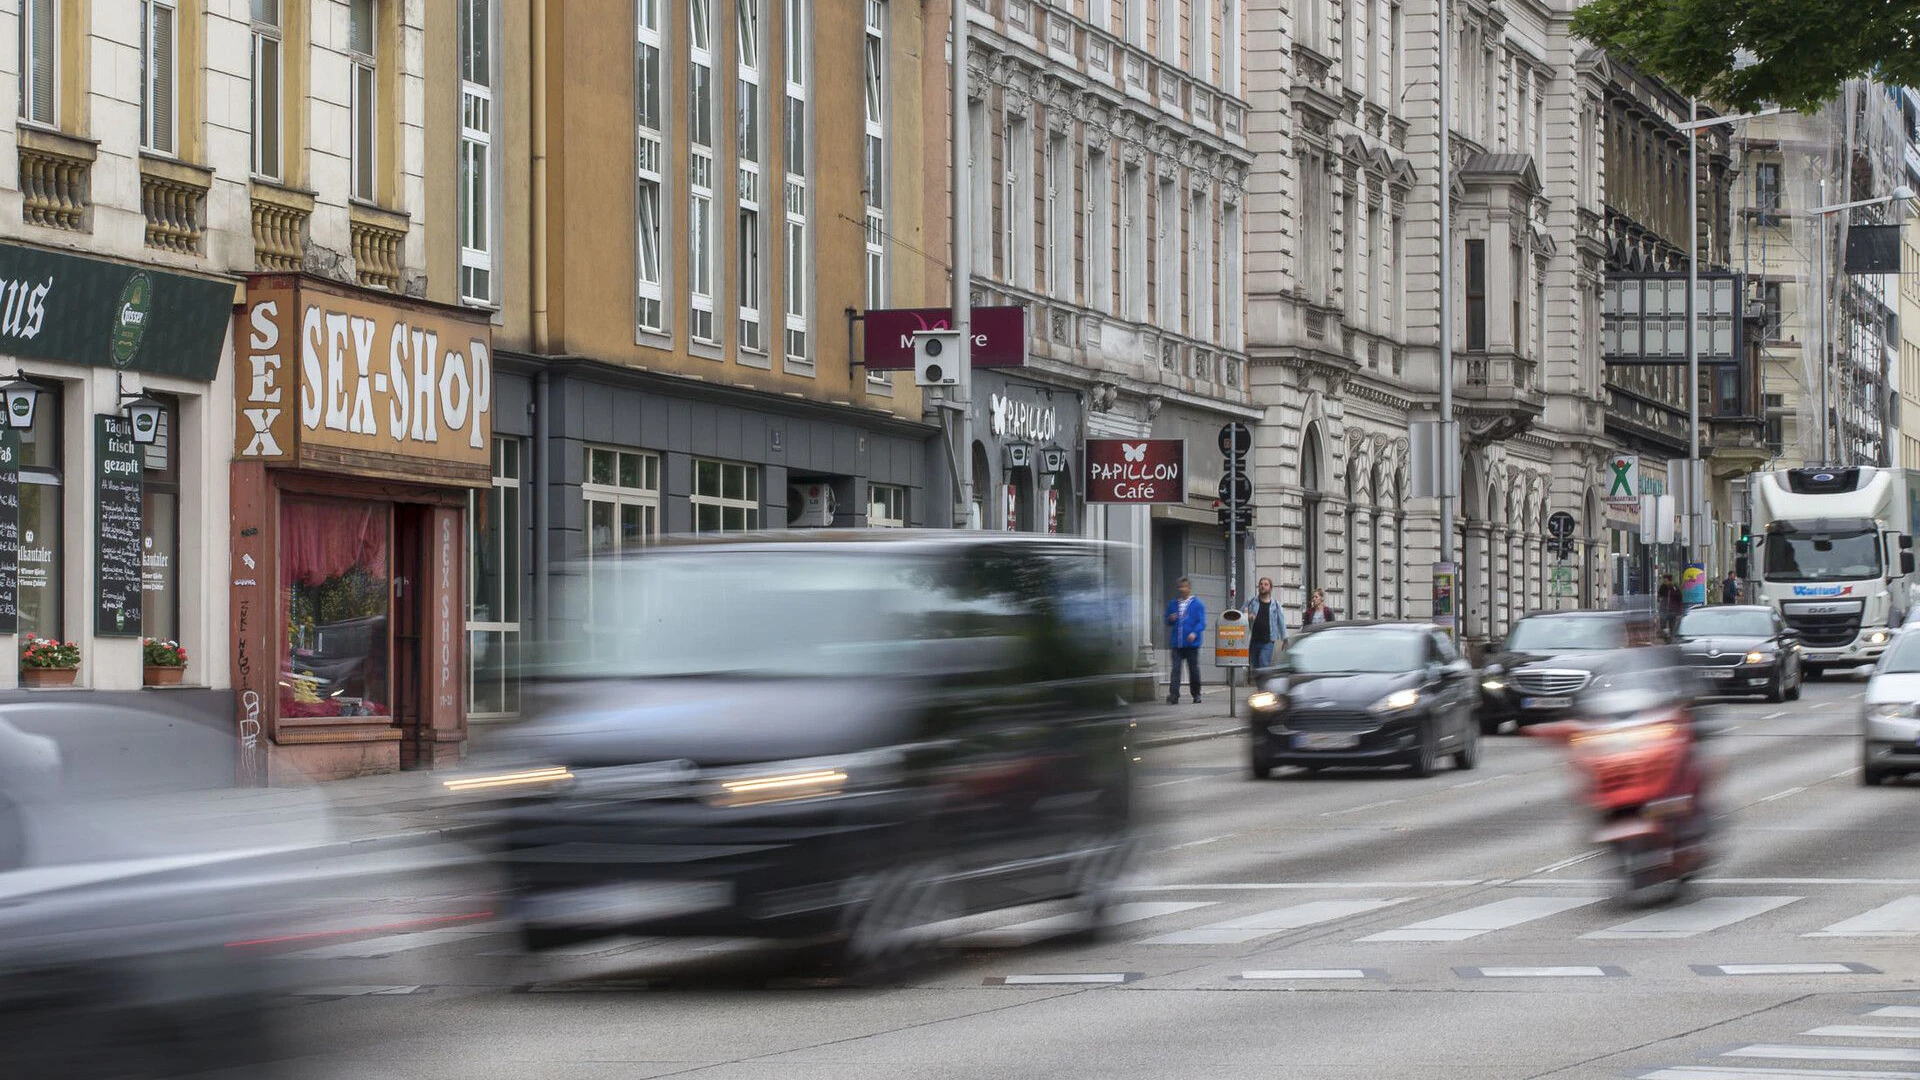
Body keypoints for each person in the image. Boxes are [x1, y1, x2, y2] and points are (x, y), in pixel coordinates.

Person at [1164, 577, 1206, 704]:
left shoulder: (1197, 604)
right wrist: (1170, 618)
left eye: (1184, 587)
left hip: (1192, 644)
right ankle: (1174, 695)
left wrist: (1194, 632)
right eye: (1180, 587)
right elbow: (1167, 620)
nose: (1182, 589)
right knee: (1176, 669)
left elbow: (1202, 622)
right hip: (1177, 643)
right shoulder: (1173, 604)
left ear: (1189, 588)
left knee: (1193, 669)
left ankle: (1196, 694)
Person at [1249, 577, 1286, 668]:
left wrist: (1284, 638)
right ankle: (1259, 683)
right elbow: (1241, 615)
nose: (1263, 586)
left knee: (1264, 663)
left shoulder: (1275, 604)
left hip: (1268, 641)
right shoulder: (1252, 602)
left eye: (1266, 584)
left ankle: (1264, 682)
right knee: (1255, 668)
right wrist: (1248, 617)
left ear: (1270, 588)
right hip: (1253, 640)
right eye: (1261, 584)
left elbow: (1281, 622)